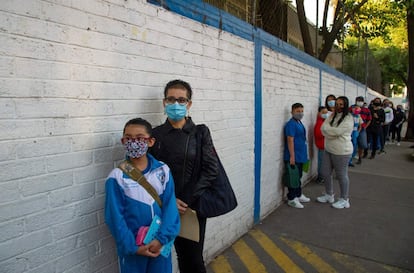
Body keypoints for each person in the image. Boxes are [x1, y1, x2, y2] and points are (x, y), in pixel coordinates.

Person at [149, 79, 218, 273]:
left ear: (189, 104)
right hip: (162, 206)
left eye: (181, 100)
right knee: (168, 255)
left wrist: (184, 200)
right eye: (171, 99)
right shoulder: (155, 135)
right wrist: (168, 201)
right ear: (164, 102)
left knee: (193, 260)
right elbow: (148, 173)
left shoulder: (200, 133)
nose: (176, 104)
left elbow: (211, 170)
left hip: (190, 208)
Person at [105, 118, 180, 273]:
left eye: (139, 138)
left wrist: (161, 239)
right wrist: (132, 247)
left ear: (151, 141)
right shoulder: (116, 177)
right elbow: (115, 217)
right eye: (128, 138)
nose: (133, 142)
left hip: (160, 245)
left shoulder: (163, 171)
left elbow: (170, 208)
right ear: (123, 141)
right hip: (133, 249)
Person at [316, 96, 354, 209]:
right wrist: (331, 132)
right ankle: (329, 194)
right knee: (325, 172)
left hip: (342, 151)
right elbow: (323, 128)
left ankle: (344, 199)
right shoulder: (332, 115)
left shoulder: (348, 118)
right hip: (329, 149)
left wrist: (329, 132)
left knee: (341, 175)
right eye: (337, 103)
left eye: (341, 104)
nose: (338, 106)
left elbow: (338, 131)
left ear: (345, 105)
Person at [283, 103, 311, 208]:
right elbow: (290, 140)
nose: (300, 113)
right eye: (297, 111)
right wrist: (292, 156)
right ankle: (292, 198)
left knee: (298, 176)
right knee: (293, 177)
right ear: (292, 112)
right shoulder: (291, 124)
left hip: (301, 154)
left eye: (301, 111)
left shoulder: (299, 122)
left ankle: (298, 194)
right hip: (293, 155)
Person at [354, 96, 371, 164]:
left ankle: (360, 157)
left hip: (362, 129)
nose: (359, 102)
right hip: (353, 128)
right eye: (358, 100)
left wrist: (365, 127)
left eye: (361, 101)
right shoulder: (352, 108)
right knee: (353, 143)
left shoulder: (366, 110)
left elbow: (369, 119)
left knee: (362, 144)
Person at [314, 106, 328, 184]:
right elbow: (318, 134)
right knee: (322, 163)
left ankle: (321, 177)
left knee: (323, 162)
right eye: (323, 112)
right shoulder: (319, 123)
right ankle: (320, 178)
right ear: (319, 113)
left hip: (324, 145)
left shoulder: (323, 122)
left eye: (326, 113)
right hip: (322, 146)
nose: (325, 114)